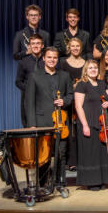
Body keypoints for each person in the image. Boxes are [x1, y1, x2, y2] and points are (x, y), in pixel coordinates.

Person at [25, 46, 73, 188]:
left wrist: (64, 100)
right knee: (43, 156)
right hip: (42, 122)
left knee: (61, 154)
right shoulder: (34, 76)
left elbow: (70, 95)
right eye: (49, 57)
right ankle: (43, 184)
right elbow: (29, 102)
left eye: (55, 57)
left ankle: (60, 182)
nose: (52, 60)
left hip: (60, 122)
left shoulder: (64, 75)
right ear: (44, 58)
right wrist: (32, 124)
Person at [74, 60, 108, 191]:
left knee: (100, 153)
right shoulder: (82, 84)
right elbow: (78, 106)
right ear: (86, 70)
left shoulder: (102, 83)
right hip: (88, 122)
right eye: (90, 68)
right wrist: (85, 125)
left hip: (101, 123)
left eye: (95, 67)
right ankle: (92, 182)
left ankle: (101, 180)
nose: (93, 70)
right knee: (90, 154)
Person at [60, 38, 86, 172]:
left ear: (81, 48)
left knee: (82, 129)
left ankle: (83, 159)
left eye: (78, 46)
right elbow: (62, 82)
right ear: (69, 47)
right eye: (73, 46)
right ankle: (72, 161)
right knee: (71, 132)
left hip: (83, 101)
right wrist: (72, 86)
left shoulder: (85, 63)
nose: (75, 48)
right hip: (70, 102)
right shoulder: (63, 63)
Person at [15, 34, 45, 127]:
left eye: (38, 43)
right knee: (28, 124)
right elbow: (18, 82)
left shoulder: (47, 60)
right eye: (33, 44)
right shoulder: (24, 62)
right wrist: (29, 89)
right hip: (27, 97)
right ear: (29, 46)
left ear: (42, 45)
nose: (35, 46)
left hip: (44, 97)